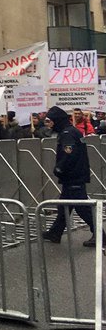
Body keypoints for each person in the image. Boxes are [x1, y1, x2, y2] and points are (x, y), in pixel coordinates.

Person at [43, 106, 102, 247]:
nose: (49, 124)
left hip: (73, 176)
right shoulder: (70, 131)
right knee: (64, 205)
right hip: (75, 175)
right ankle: (55, 232)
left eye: (50, 120)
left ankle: (101, 236)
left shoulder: (67, 134)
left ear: (57, 120)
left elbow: (69, 154)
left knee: (82, 208)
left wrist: (59, 169)